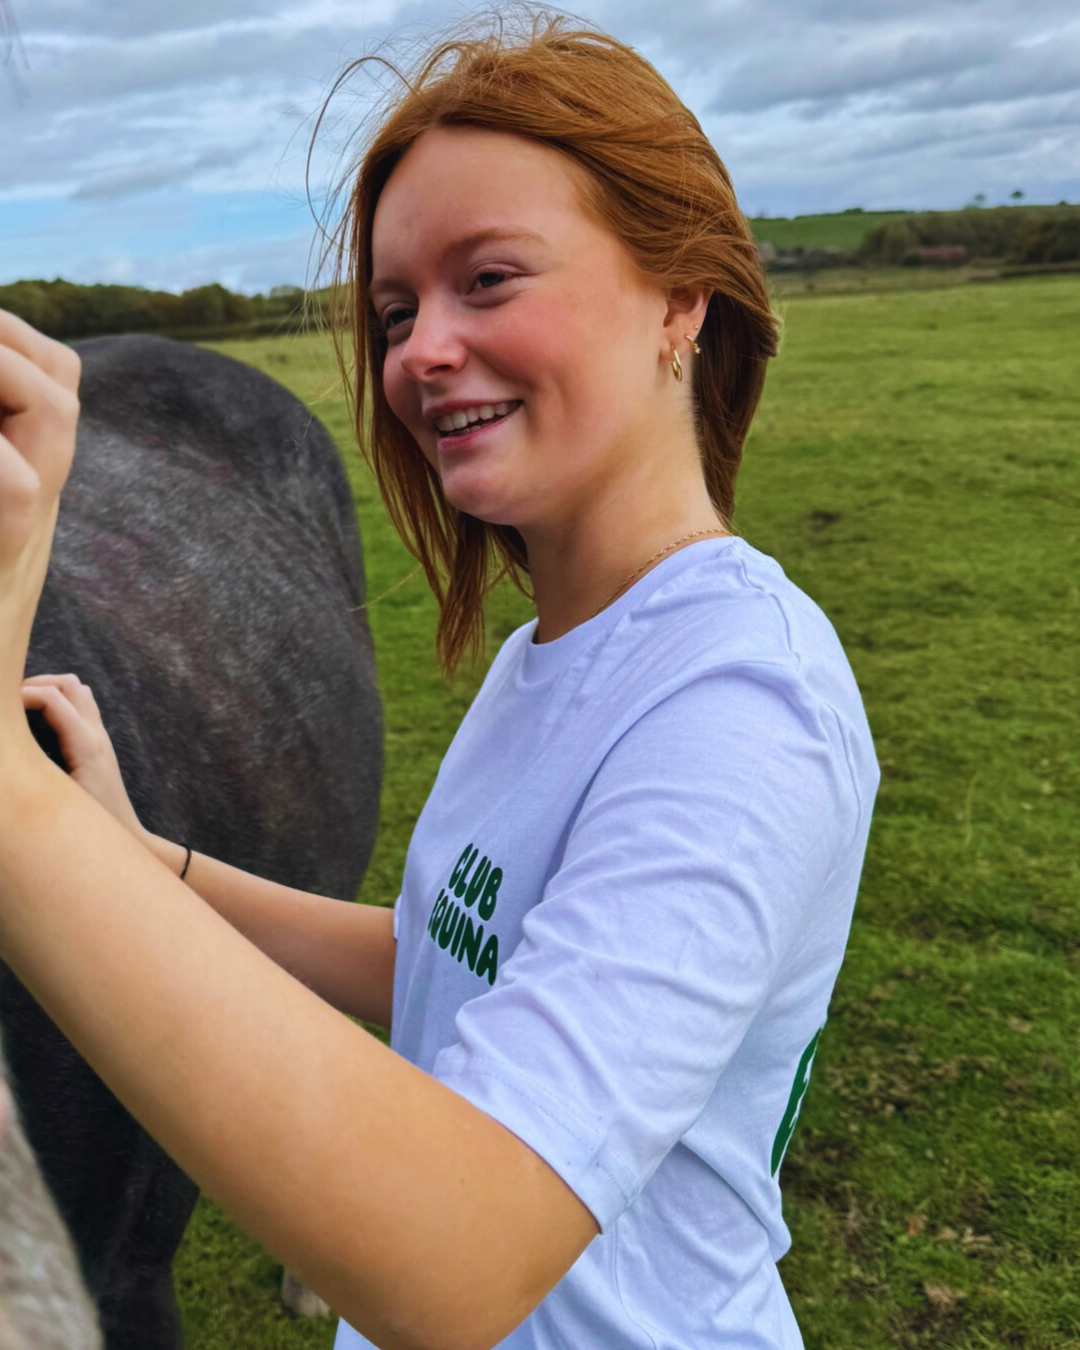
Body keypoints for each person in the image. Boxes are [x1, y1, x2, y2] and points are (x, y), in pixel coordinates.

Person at [0, 11, 879, 1350]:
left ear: (678, 301)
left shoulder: (742, 706)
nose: (418, 352)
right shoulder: (564, 648)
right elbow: (455, 961)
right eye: (400, 308)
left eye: (489, 280)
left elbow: (455, 1261)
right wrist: (147, 859)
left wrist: (17, 809)